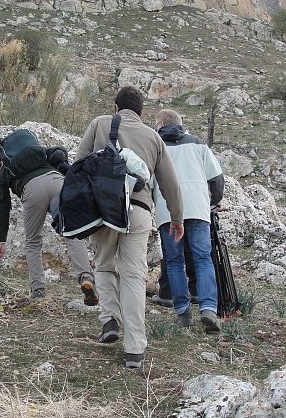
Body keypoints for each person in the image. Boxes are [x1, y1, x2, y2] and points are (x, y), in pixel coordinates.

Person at [77, 86, 184, 369]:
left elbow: (78, 164)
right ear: (141, 112)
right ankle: (135, 348)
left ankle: (109, 318)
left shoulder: (99, 124)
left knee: (103, 264)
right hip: (138, 210)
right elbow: (170, 184)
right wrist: (177, 219)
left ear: (115, 108)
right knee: (134, 275)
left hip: (104, 209)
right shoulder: (153, 136)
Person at [0, 139, 98, 304]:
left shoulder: (6, 169)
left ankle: (38, 290)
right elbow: (60, 152)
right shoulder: (40, 153)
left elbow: (1, 205)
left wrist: (1, 239)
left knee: (33, 241)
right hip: (57, 182)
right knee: (71, 232)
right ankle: (86, 277)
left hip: (32, 190)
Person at [153, 109, 224, 332]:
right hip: (198, 209)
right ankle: (209, 308)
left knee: (174, 262)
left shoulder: (156, 146)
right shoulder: (199, 145)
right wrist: (213, 201)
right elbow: (217, 179)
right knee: (203, 258)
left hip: (168, 211)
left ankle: (183, 312)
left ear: (160, 124)